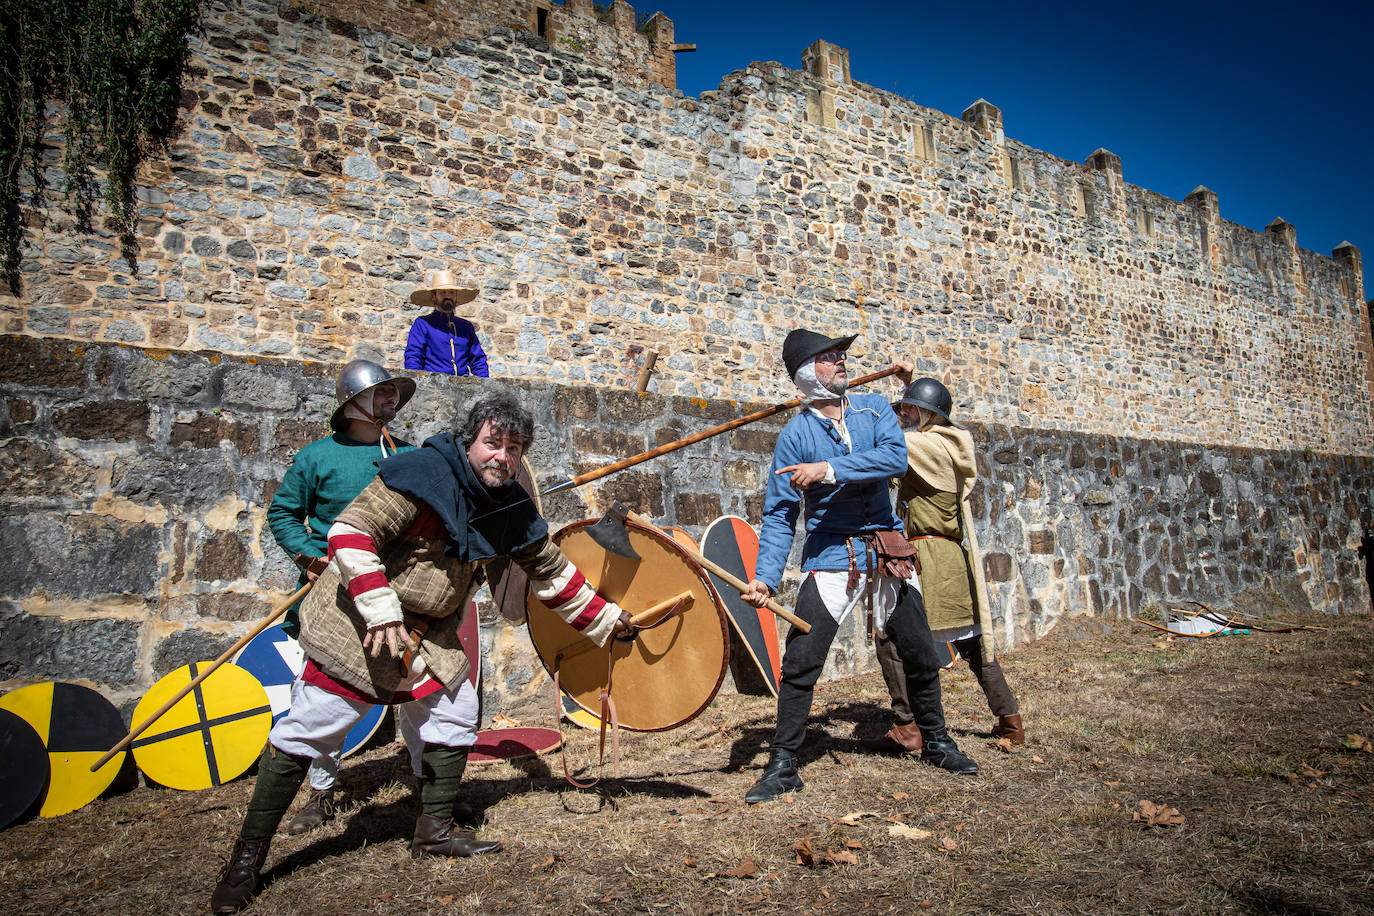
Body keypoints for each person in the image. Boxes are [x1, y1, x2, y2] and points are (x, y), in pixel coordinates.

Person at [212, 393, 635, 913]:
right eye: (493, 443)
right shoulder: (419, 473)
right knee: (313, 724)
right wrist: (383, 610)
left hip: (429, 631)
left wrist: (609, 621)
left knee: (454, 709)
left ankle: (433, 832)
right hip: (359, 617)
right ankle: (246, 860)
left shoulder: (506, 503)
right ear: (468, 439)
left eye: (515, 447)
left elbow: (549, 569)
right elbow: (349, 533)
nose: (503, 456)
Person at [738, 330, 978, 805]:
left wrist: (828, 471)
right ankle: (783, 762)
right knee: (803, 660)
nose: (840, 361)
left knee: (920, 652)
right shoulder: (796, 437)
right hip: (831, 554)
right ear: (807, 375)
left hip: (888, 549)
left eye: (840, 354)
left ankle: (937, 741)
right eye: (828, 358)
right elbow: (781, 514)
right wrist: (765, 576)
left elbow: (893, 458)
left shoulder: (872, 408)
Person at [264, 359, 416, 834]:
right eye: (382, 393)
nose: (392, 401)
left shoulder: (409, 455)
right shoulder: (316, 457)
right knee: (323, 696)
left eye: (394, 393)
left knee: (419, 692)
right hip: (333, 593)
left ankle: (430, 790)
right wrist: (315, 560)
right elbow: (284, 515)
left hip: (400, 593)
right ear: (354, 402)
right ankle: (322, 792)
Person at [869, 377, 1024, 753]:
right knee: (972, 642)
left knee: (890, 637)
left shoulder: (931, 447)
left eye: (908, 408)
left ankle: (908, 726)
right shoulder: (942, 445)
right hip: (949, 557)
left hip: (929, 558)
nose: (902, 414)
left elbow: (887, 441)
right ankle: (1010, 719)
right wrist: (907, 386)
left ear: (926, 414)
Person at [404, 269, 490, 377]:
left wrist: (484, 385)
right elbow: (414, 357)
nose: (448, 296)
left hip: (463, 386)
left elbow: (478, 360)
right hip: (433, 386)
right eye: (443, 292)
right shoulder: (423, 324)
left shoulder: (466, 327)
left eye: (452, 292)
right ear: (433, 296)